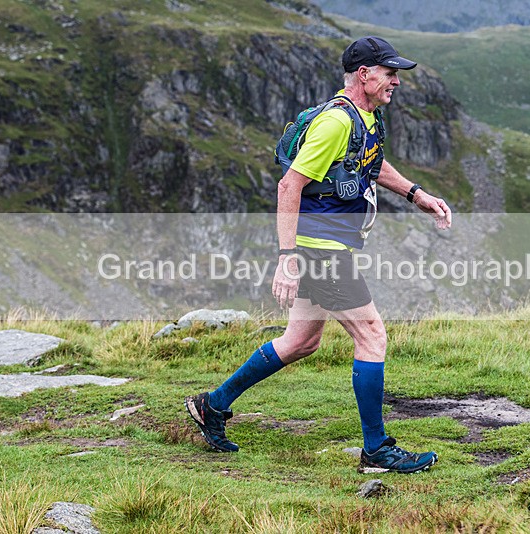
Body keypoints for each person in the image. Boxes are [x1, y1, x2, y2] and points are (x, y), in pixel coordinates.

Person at [186, 36, 452, 474]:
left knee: (300, 342)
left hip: (330, 245)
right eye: (389, 74)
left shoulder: (366, 118)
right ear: (363, 75)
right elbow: (288, 186)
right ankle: (377, 451)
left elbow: (369, 163)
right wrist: (288, 258)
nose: (396, 82)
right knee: (372, 335)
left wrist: (415, 194)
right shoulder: (335, 123)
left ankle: (212, 405)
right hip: (320, 250)